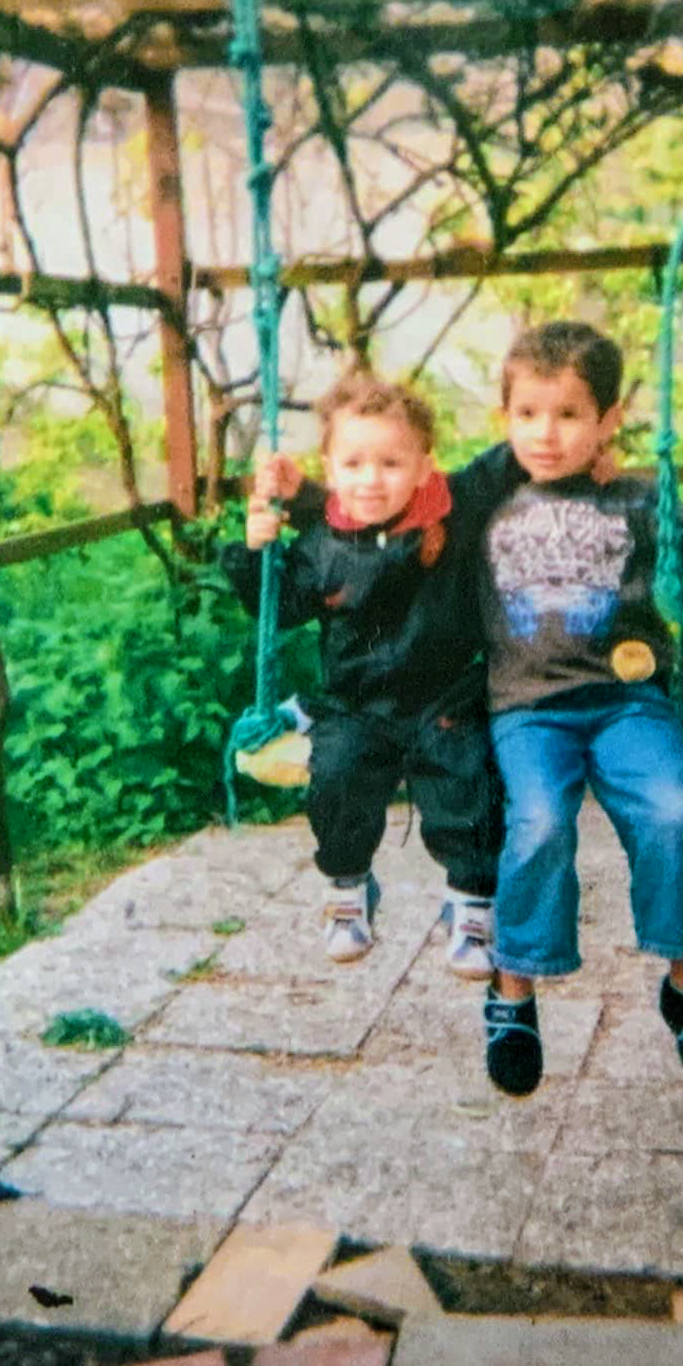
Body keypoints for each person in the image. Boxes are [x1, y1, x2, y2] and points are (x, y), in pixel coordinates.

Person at [473, 320, 683, 1097]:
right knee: (539, 824)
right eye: (528, 414)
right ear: (504, 418)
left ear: (609, 420)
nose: (546, 434)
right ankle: (513, 990)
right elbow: (387, 503)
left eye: (568, 415)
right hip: (529, 708)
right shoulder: (485, 504)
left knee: (673, 813)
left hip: (628, 702)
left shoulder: (639, 497)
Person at [225, 371, 524, 975]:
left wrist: (583, 443)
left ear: (424, 466)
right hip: (355, 703)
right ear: (329, 471)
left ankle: (470, 903)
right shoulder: (321, 542)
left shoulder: (454, 509)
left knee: (470, 780)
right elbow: (280, 608)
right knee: (337, 779)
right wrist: (257, 553)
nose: (371, 479)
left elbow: (512, 457)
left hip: (445, 697)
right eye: (354, 464)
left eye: (391, 463)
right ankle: (348, 888)